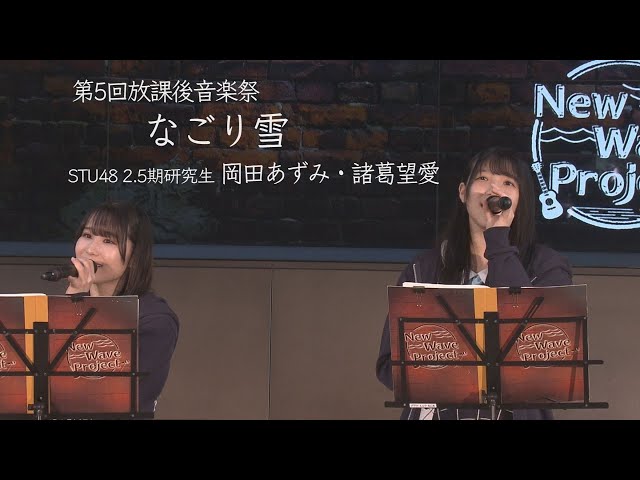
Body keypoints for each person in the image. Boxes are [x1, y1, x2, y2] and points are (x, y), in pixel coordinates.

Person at [375, 146, 572, 420]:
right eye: (483, 178)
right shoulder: (424, 268)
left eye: (507, 182)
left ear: (520, 200)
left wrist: (498, 239)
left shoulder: (547, 267)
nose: (494, 189)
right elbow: (389, 365)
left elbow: (542, 355)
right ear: (462, 193)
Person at [65, 201, 180, 415]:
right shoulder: (62, 305)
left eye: (108, 240)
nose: (90, 250)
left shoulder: (154, 319)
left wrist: (74, 302)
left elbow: (97, 390)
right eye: (87, 235)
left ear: (135, 257)